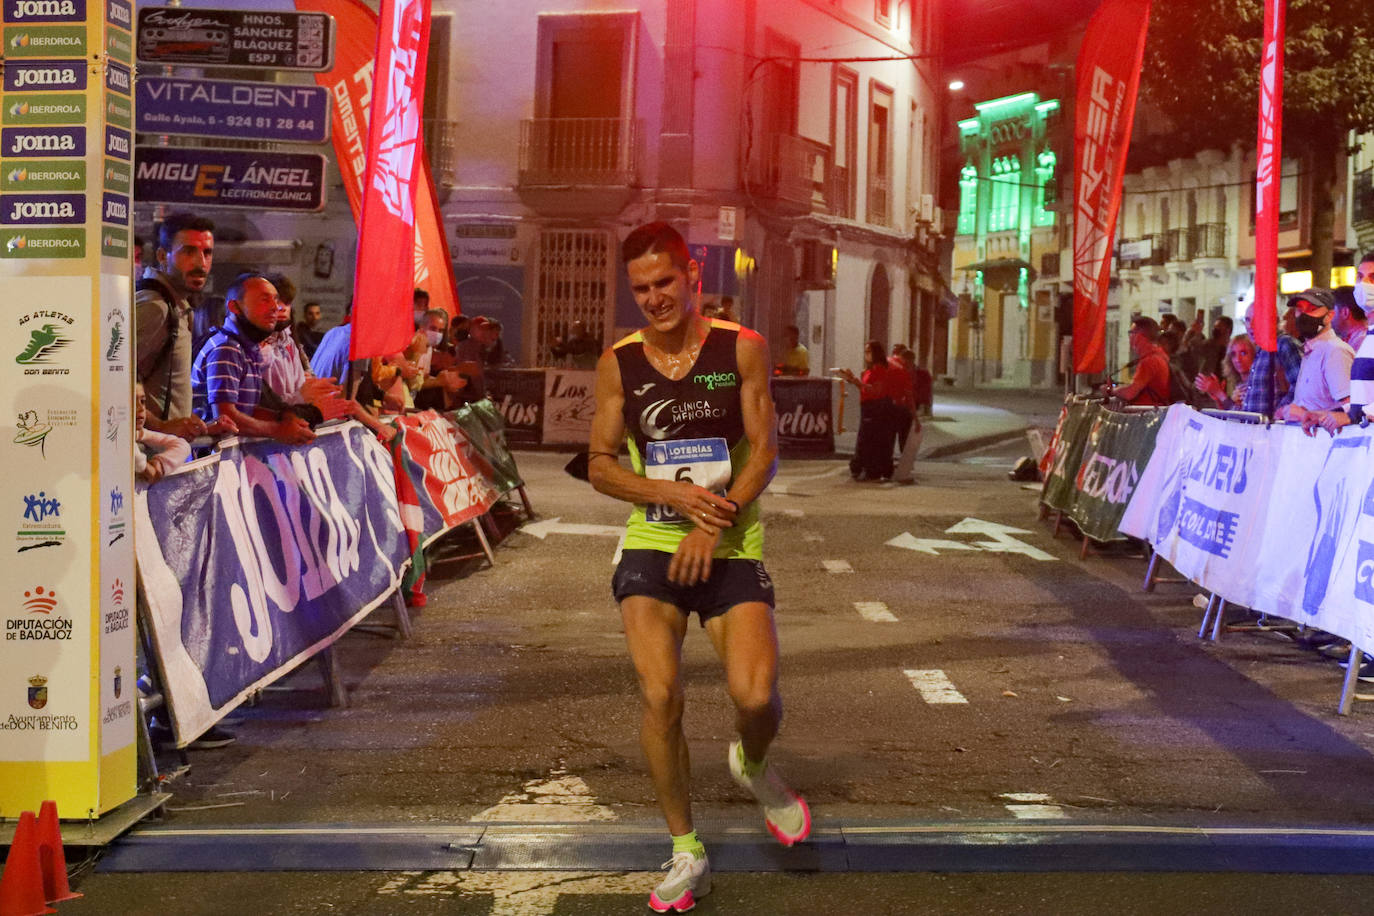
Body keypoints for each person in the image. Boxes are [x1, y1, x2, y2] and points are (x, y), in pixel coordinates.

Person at [586, 222, 809, 913]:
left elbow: (766, 452)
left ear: (693, 277)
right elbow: (598, 464)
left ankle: (756, 763)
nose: (654, 298)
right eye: (641, 289)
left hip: (732, 540)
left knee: (754, 698)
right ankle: (686, 850)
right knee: (661, 695)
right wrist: (669, 495)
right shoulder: (619, 361)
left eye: (664, 282)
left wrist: (714, 518)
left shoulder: (741, 349)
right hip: (653, 541)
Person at [189, 272, 315, 445]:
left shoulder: (245, 348)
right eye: (264, 300)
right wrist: (279, 430)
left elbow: (246, 410)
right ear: (234, 307)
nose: (275, 308)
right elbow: (226, 416)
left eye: (276, 299)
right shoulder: (226, 348)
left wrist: (285, 418)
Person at [136, 212, 223, 441]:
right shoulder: (156, 307)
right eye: (188, 251)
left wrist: (198, 426)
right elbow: (111, 379)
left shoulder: (176, 306)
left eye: (207, 252)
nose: (201, 263)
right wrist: (161, 427)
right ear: (163, 256)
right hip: (146, 461)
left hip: (165, 457)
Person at [1278, 288, 1354, 429]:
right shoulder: (1311, 352)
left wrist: (1303, 415)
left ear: (1330, 316)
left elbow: (1352, 411)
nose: (1303, 315)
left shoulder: (1334, 351)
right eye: (1299, 309)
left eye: (1312, 309)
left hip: (1329, 445)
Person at [837, 341, 898, 480]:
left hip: (876, 407)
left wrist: (858, 382)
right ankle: (864, 467)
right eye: (865, 352)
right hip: (867, 405)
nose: (866, 355)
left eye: (869, 352)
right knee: (866, 438)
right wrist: (852, 380)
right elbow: (865, 388)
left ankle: (871, 468)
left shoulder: (879, 369)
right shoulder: (869, 370)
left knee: (869, 439)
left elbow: (876, 390)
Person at [134, 381, 190, 485]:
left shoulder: (139, 433)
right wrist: (143, 467)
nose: (141, 408)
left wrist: (159, 464)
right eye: (131, 401)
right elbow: (122, 441)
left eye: (142, 401)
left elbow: (182, 445)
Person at [1107, 317, 1170, 406]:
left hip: (1147, 415)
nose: (1130, 339)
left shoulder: (1149, 361)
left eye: (1131, 333)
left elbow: (1129, 393)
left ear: (1139, 336)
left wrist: (1110, 390)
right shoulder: (1161, 355)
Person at [1194, 334, 1256, 409]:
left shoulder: (1256, 385)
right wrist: (1218, 399)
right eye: (1233, 354)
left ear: (1254, 355)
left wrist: (1219, 393)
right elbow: (1228, 416)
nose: (1237, 359)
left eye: (1243, 353)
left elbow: (1242, 416)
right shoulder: (1239, 385)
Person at [1332, 286, 1366, 352]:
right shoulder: (1354, 338)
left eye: (1332, 310)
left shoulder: (1361, 342)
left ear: (1345, 312)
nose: (1329, 316)